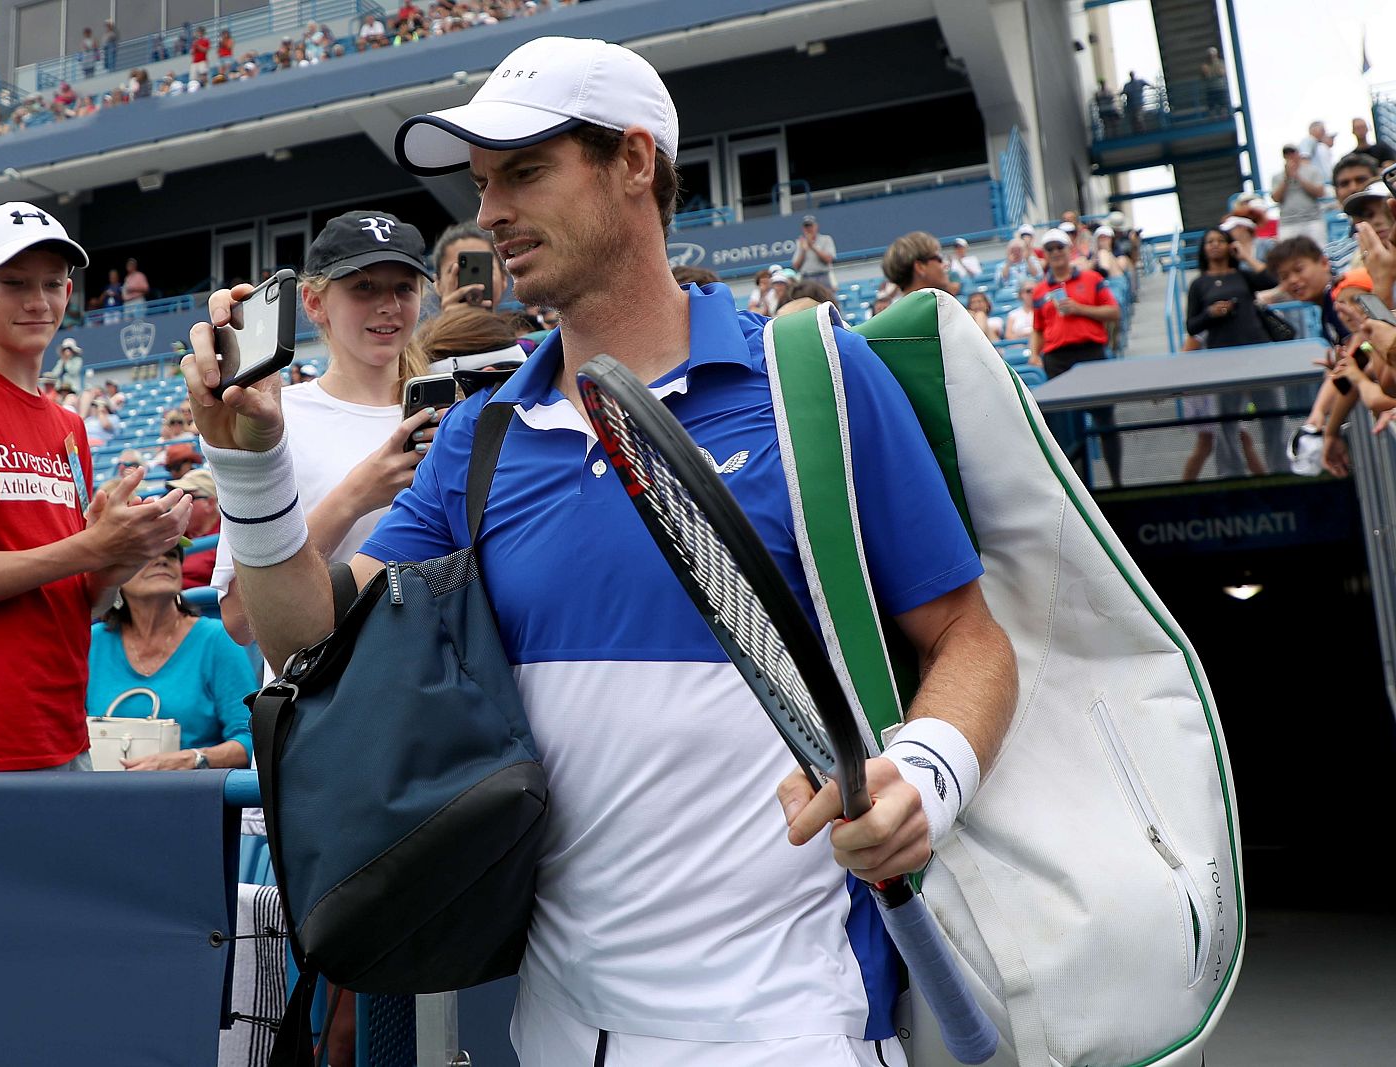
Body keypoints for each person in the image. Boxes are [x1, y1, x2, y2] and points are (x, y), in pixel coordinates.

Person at [185, 36, 1016, 1065]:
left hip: (792, 1026)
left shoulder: (815, 381)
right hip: (552, 1028)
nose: (487, 212)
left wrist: (919, 780)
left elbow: (970, 638)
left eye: (525, 172)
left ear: (633, 163)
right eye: (483, 183)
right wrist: (254, 472)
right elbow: (302, 635)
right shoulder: (476, 441)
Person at [0, 202, 191, 774]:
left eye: (54, 283)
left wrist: (122, 556)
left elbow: (81, 600)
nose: (38, 301)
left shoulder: (69, 425)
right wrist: (92, 549)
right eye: (13, 283)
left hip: (64, 731)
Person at [210, 209, 439, 660]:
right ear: (314, 303)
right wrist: (356, 495)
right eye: (363, 287)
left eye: (403, 288)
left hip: (439, 691)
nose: (388, 305)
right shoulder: (275, 418)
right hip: (324, 702)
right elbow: (240, 615)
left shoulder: (457, 414)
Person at [86, 545, 253, 770]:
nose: (162, 559)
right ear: (116, 576)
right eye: (145, 554)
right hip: (102, 796)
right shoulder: (92, 642)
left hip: (190, 797)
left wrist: (191, 759)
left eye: (172, 554)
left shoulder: (216, 639)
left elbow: (251, 740)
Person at [1184, 227, 1286, 477]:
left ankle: (1281, 469)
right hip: (1223, 358)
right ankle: (1230, 474)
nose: (1216, 245)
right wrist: (1211, 313)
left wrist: (1245, 257)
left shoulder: (1243, 275)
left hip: (1257, 352)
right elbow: (1192, 325)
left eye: (1221, 241)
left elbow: (1272, 280)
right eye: (1210, 241)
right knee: (1226, 422)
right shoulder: (1199, 284)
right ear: (1204, 249)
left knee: (1273, 415)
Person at [1027, 228, 1123, 486]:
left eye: (1060, 247)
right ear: (1045, 255)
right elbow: (1037, 328)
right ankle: (1073, 489)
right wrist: (1035, 354)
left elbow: (1114, 312)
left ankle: (1116, 482)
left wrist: (1079, 308)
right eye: (1050, 249)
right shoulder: (1039, 291)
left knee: (1105, 419)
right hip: (1057, 359)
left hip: (1090, 353)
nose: (1056, 252)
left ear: (1069, 250)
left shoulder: (1091, 279)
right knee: (1062, 427)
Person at [430, 220, 508, 314]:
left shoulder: (527, 326)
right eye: (458, 271)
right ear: (437, 284)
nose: (472, 280)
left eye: (483, 269)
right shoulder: (423, 329)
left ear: (503, 278)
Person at [1271, 145, 1328, 246]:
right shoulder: (1277, 177)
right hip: (1288, 223)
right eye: (1287, 154)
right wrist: (1286, 178)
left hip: (1312, 220)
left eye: (1292, 153)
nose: (1290, 156)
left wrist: (1298, 177)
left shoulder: (1312, 171)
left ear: (1298, 154)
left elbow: (1320, 192)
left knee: (1320, 253)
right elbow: (1275, 198)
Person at [881, 230, 960, 297]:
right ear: (920, 267)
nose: (944, 265)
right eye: (939, 259)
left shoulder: (894, 313)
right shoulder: (945, 312)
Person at [790, 214, 836, 289]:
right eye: (806, 226)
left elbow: (828, 259)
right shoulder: (800, 242)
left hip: (822, 276)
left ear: (816, 226)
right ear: (803, 228)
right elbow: (796, 266)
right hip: (806, 278)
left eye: (810, 226)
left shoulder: (826, 239)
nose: (809, 229)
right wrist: (803, 250)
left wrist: (812, 246)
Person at [1200, 47, 1227, 115]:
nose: (1211, 57)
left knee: (1223, 107)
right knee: (1211, 108)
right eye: (1210, 55)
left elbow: (1222, 73)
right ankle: (1213, 118)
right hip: (1211, 89)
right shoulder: (1205, 65)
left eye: (1212, 55)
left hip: (1220, 88)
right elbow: (1205, 75)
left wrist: (1211, 72)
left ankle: (1224, 117)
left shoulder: (1221, 63)